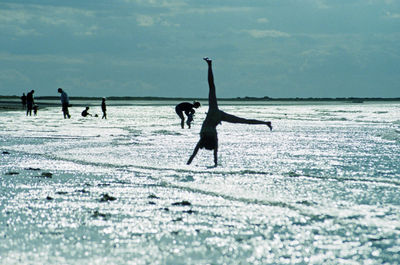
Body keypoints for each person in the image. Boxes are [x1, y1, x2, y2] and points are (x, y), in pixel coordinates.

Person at [187, 58, 272, 167]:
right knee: (243, 120)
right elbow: (204, 153)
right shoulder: (205, 138)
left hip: (215, 116)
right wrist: (215, 163)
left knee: (212, 87)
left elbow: (200, 153)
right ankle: (265, 123)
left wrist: (189, 164)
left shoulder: (208, 139)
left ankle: (209, 65)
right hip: (217, 116)